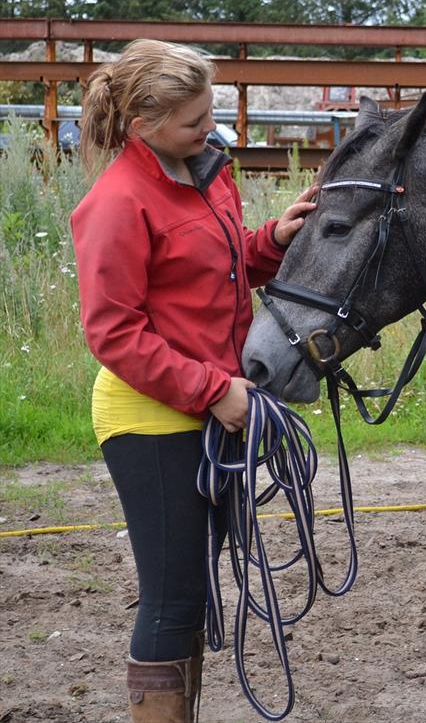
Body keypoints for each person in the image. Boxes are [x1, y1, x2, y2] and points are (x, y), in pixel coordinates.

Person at [70, 39, 318, 722]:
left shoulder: (204, 172)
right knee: (174, 597)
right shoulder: (117, 202)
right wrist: (216, 390)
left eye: (210, 114)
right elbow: (114, 333)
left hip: (207, 405)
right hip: (150, 417)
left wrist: (274, 240)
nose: (209, 130)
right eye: (193, 121)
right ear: (143, 125)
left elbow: (222, 260)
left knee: (198, 592)